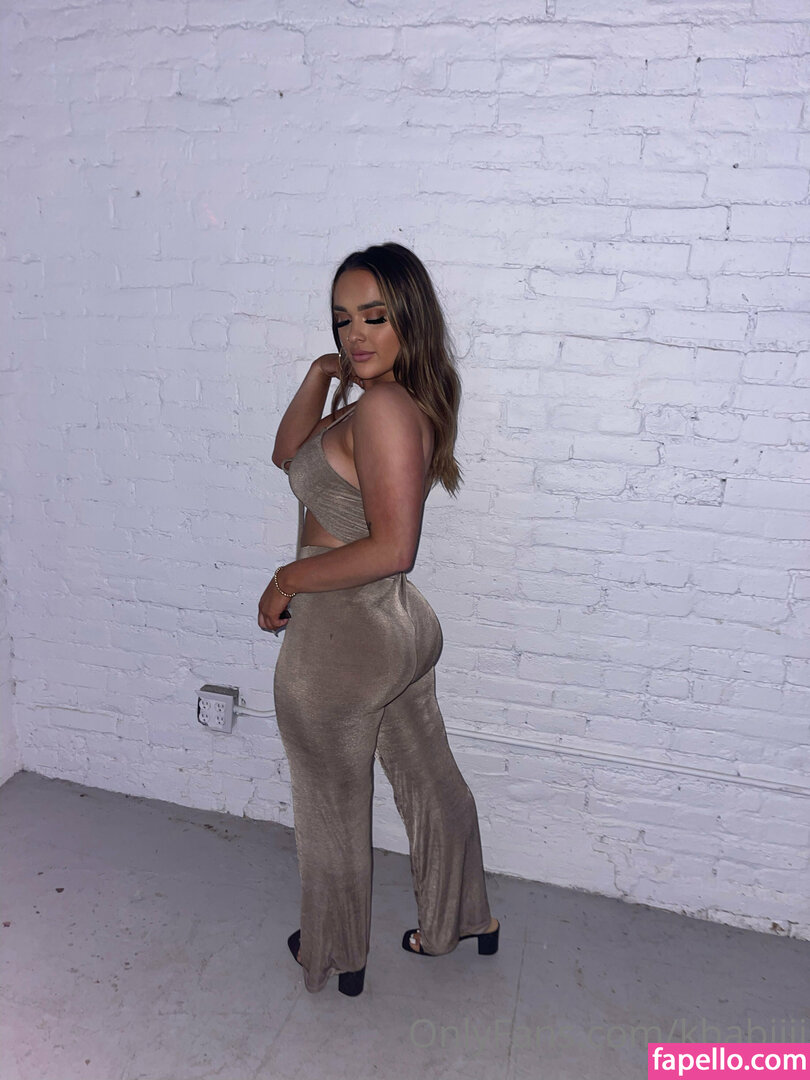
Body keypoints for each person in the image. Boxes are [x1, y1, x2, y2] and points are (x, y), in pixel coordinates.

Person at [258, 242, 499, 996]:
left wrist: (287, 579)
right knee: (429, 780)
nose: (355, 334)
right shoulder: (382, 400)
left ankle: (335, 952)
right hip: (394, 628)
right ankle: (462, 919)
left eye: (374, 316)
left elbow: (394, 548)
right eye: (342, 320)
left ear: (408, 320)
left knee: (330, 807)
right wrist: (319, 373)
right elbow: (287, 455)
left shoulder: (384, 409)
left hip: (343, 638)